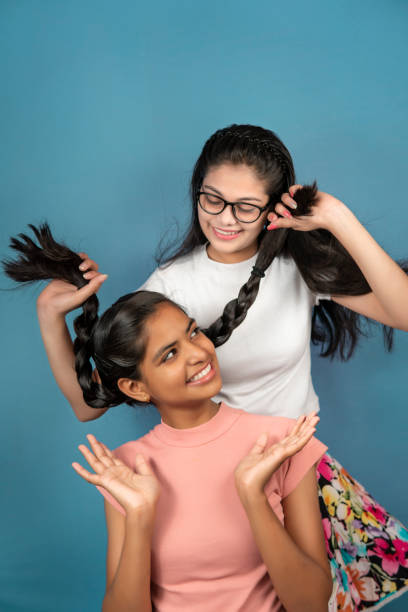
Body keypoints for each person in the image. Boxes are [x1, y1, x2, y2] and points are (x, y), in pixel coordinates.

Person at [4, 124, 408, 610]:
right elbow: (91, 405)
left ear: (274, 208)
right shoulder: (172, 286)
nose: (226, 219)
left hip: (294, 472)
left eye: (246, 207)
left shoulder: (295, 265)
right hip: (209, 480)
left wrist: (337, 219)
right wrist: (51, 318)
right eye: (212, 199)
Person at [3, 225, 333, 611]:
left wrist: (253, 496)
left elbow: (311, 603)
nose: (198, 353)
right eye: (169, 354)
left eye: (193, 332)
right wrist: (140, 516)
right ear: (136, 388)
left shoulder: (283, 442)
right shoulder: (125, 468)